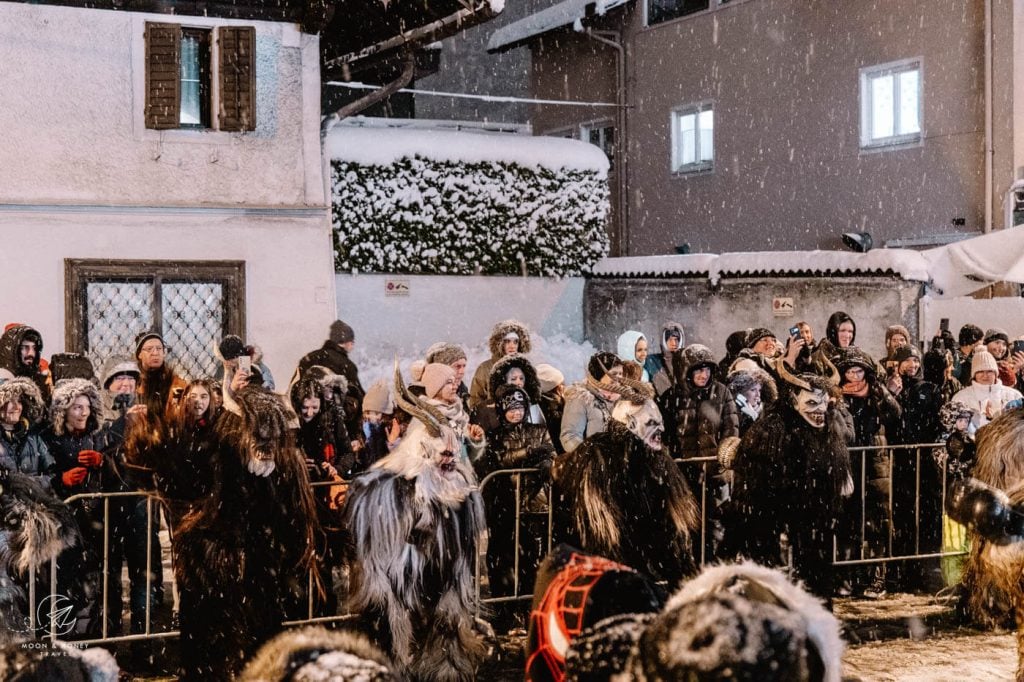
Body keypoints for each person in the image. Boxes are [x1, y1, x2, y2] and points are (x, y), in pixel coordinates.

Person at [726, 364, 853, 606]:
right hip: (770, 510)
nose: (819, 411)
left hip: (812, 511)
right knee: (769, 564)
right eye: (812, 403)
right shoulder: (771, 431)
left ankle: (815, 605)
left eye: (823, 404)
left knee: (815, 560)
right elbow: (758, 480)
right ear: (793, 400)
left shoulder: (827, 432)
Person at [477, 384, 555, 614]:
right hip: (506, 504)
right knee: (504, 556)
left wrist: (545, 462)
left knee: (534, 556)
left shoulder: (539, 429)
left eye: (520, 407)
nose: (516, 413)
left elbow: (550, 452)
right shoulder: (495, 434)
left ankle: (530, 604)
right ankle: (504, 606)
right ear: (502, 410)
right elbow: (501, 459)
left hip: (535, 502)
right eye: (511, 408)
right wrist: (530, 452)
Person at [659, 344, 738, 561]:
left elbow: (730, 427)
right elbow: (666, 432)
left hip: (713, 470)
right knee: (687, 521)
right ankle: (691, 563)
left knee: (712, 521)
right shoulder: (672, 396)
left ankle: (712, 563)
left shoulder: (721, 392)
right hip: (683, 472)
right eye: (698, 370)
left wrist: (723, 458)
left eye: (707, 370)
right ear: (687, 371)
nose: (704, 375)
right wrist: (673, 460)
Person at [838, 347, 900, 598]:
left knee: (879, 520)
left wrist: (880, 393)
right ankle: (850, 576)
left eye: (859, 370)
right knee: (849, 521)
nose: (855, 376)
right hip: (848, 460)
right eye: (850, 371)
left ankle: (878, 576)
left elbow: (896, 414)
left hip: (876, 461)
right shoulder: (839, 397)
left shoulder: (875, 392)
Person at [885, 345, 945, 592]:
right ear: (896, 364)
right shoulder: (891, 390)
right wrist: (892, 395)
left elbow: (936, 421)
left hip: (926, 462)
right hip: (901, 461)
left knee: (928, 516)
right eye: (906, 360)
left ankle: (928, 570)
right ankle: (904, 572)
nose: (912, 365)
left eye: (915, 360)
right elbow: (889, 422)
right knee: (904, 517)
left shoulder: (929, 389)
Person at [294, 320, 365, 438]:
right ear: (347, 343)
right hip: (335, 429)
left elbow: (295, 389)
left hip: (307, 424)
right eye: (352, 342)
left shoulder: (308, 359)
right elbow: (358, 398)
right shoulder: (347, 365)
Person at [413, 363, 485, 463]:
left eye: (455, 382)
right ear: (436, 388)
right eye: (449, 382)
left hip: (459, 477)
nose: (455, 386)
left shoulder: (457, 415)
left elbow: (465, 459)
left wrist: (474, 441)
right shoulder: (426, 419)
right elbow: (422, 460)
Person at [560, 352, 623, 454]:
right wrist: (589, 456)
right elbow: (570, 435)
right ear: (599, 375)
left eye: (621, 373)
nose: (619, 378)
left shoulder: (623, 399)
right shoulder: (581, 398)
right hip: (594, 463)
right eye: (614, 374)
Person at [949, 349, 1024, 434]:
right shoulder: (961, 398)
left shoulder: (1014, 395)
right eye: (980, 371)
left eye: (989, 371)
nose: (985, 375)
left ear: (996, 373)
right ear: (974, 374)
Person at [468, 319, 531, 413]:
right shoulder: (485, 368)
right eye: (507, 341)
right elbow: (475, 401)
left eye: (515, 342)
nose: (512, 346)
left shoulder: (525, 368)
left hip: (521, 420)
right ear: (499, 343)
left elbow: (532, 397)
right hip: (494, 422)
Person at [0, 378, 52, 486]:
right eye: (9, 401)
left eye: (19, 401)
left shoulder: (33, 437)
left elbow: (52, 474)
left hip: (36, 500)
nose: (16, 407)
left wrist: (29, 485)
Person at [135, 331, 187, 419]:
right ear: (139, 354)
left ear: (163, 353)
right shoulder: (132, 383)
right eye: (149, 349)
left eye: (159, 348)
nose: (155, 353)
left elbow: (177, 416)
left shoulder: (176, 384)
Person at [0, 324, 50, 403]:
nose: (31, 353)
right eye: (25, 347)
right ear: (13, 351)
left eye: (34, 348)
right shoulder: (2, 382)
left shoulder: (41, 383)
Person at [726, 363, 777, 437]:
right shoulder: (729, 414)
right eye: (753, 390)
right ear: (740, 393)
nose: (758, 395)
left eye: (759, 390)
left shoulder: (767, 413)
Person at [425, 342, 471, 412]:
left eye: (464, 366)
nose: (462, 371)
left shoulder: (462, 389)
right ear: (443, 368)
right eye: (457, 366)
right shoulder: (422, 392)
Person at [643, 321, 685, 396]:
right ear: (663, 341)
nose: (674, 343)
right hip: (660, 405)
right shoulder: (652, 362)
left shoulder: (686, 361)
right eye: (670, 339)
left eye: (676, 339)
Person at [535, 363, 566, 455]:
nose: (564, 386)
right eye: (561, 384)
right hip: (560, 451)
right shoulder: (552, 406)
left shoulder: (539, 403)